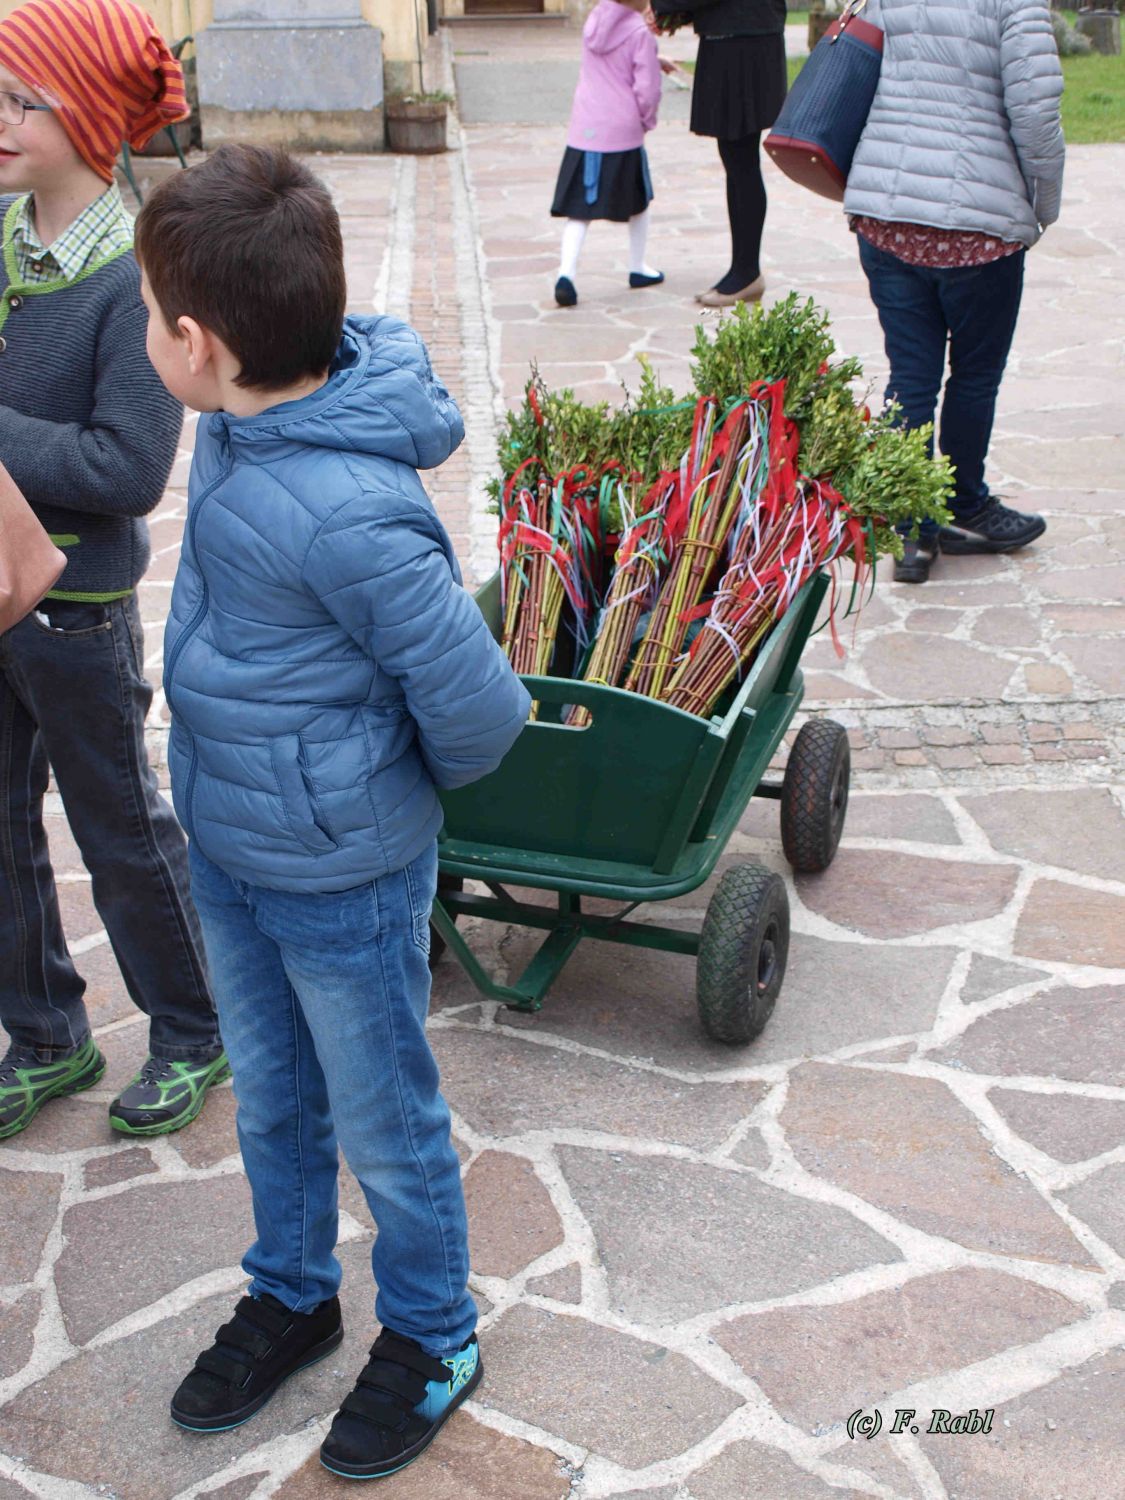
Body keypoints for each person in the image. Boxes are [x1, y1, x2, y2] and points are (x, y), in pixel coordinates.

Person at [134, 144, 531, 1480]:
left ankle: (432, 1331)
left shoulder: (351, 508)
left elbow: (480, 710)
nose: (145, 335)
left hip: (341, 871)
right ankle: (294, 1293)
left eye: (146, 315)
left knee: (384, 1118)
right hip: (236, 847)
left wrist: (356, 795)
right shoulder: (241, 412)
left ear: (195, 343)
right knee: (273, 1103)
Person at [0, 0, 229, 1141]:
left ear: (86, 118)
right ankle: (44, 1034)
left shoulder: (132, 279)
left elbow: (127, 467)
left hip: (76, 611)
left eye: (17, 99)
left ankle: (196, 1030)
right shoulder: (3, 243)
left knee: (117, 825)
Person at [845, 0, 1064, 584]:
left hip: (886, 216)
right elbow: (1036, 111)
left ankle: (912, 530)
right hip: (979, 233)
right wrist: (1042, 209)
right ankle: (964, 501)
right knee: (974, 375)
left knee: (910, 375)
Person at [653, 0, 787, 307]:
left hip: (745, 45)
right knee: (737, 161)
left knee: (742, 162)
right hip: (735, 41)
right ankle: (741, 270)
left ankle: (747, 271)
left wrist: (659, 5)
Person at [551, 0, 664, 307]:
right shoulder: (640, 32)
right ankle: (637, 266)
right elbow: (647, 89)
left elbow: (609, 61)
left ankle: (566, 274)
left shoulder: (594, 21)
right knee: (639, 201)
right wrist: (647, 119)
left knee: (578, 208)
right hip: (622, 132)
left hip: (585, 128)